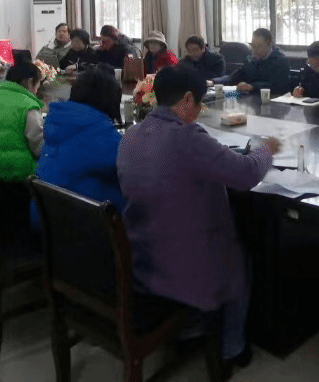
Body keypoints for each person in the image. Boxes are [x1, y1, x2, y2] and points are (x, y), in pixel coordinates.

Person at [117, 66, 282, 369]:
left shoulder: (132, 134)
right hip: (186, 265)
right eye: (200, 103)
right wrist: (266, 151)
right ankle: (232, 347)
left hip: (143, 254)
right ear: (187, 99)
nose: (200, 110)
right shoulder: (188, 136)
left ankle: (189, 329)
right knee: (242, 256)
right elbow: (246, 174)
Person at [32, 66, 125, 228]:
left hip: (44, 220)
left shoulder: (58, 122)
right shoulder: (101, 133)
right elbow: (129, 174)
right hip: (83, 227)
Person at [213, 28, 290, 95]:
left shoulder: (281, 61)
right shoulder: (251, 58)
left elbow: (277, 86)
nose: (254, 50)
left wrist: (252, 87)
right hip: (250, 100)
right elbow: (234, 77)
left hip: (272, 102)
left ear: (269, 45)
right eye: (253, 46)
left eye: (259, 46)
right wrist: (213, 82)